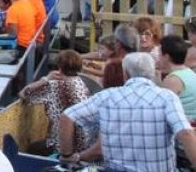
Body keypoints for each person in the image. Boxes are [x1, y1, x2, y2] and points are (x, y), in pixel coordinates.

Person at [60, 52, 196, 171]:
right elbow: (185, 133)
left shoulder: (107, 96)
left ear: (125, 73)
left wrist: (67, 156)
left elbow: (67, 117)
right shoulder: (167, 97)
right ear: (154, 71)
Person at [18, 50, 90, 153]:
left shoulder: (53, 86)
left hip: (62, 146)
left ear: (59, 67)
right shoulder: (82, 83)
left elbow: (23, 93)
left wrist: (46, 78)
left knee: (30, 149)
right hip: (84, 145)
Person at [160, 35, 196, 120]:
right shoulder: (190, 73)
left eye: (159, 54)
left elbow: (163, 109)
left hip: (184, 126)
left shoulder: (173, 80)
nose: (158, 58)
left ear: (166, 57)